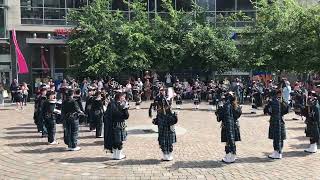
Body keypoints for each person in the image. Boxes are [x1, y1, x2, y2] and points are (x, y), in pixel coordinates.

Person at [149, 88, 178, 161]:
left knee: (165, 138)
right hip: (165, 120)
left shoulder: (163, 100)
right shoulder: (162, 100)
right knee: (165, 138)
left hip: (164, 120)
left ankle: (166, 155)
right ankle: (167, 155)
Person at [216, 92, 242, 163]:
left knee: (228, 141)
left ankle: (228, 156)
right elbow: (238, 114)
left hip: (227, 125)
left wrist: (219, 108)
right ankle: (232, 155)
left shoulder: (225, 106)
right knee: (232, 140)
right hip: (235, 125)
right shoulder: (236, 106)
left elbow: (219, 117)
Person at [104, 92, 129, 160]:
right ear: (120, 98)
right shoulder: (119, 105)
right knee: (119, 141)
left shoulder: (111, 104)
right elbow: (126, 116)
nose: (124, 98)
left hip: (111, 125)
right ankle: (118, 156)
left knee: (114, 141)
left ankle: (115, 155)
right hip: (118, 125)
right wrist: (125, 108)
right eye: (123, 97)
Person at [264, 89, 288, 159]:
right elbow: (286, 110)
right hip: (281, 120)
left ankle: (277, 152)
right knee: (279, 137)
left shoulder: (272, 101)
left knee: (276, 137)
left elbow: (266, 110)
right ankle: (278, 152)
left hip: (275, 120)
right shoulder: (283, 101)